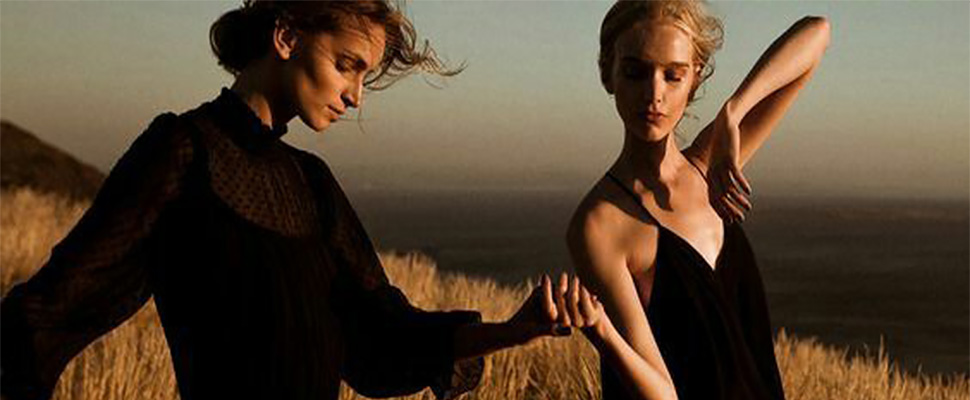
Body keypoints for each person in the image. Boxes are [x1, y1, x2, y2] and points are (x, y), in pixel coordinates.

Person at [0, 2, 574, 399]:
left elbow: (383, 335)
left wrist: (511, 330)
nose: (355, 97)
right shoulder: (182, 152)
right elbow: (55, 307)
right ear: (286, 38)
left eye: (365, 77)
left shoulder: (312, 182)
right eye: (346, 66)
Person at [565, 1, 830, 399]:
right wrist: (601, 331)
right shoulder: (599, 223)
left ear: (695, 78)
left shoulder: (710, 166)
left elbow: (817, 33)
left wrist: (733, 113)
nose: (654, 94)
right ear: (608, 73)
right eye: (635, 72)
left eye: (673, 75)